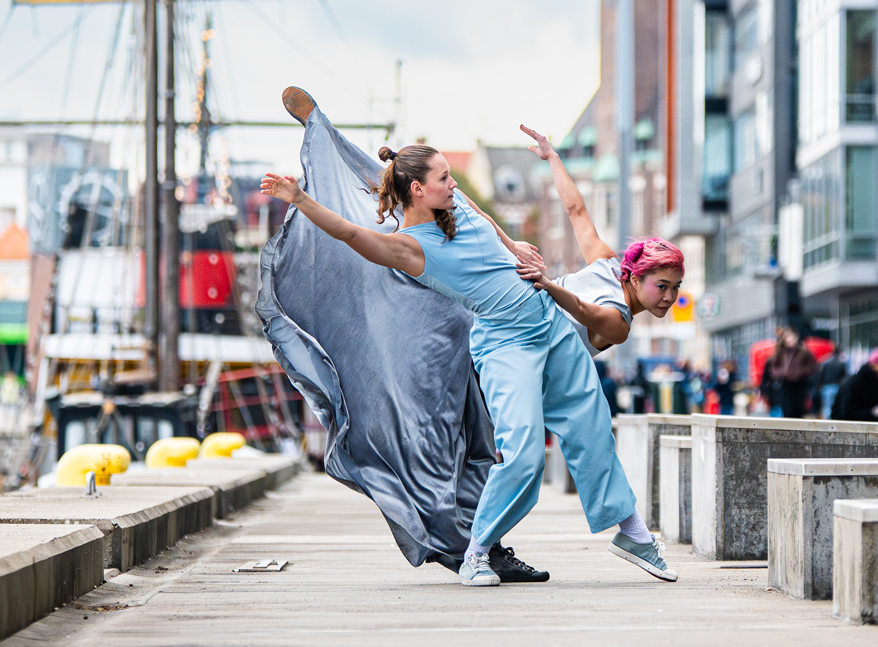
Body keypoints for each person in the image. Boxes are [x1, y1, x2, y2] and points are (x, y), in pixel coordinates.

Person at [261, 138, 676, 588]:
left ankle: (633, 534)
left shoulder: (455, 208)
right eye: (444, 178)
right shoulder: (410, 249)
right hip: (507, 344)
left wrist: (512, 244)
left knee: (592, 433)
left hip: (552, 326)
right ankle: (476, 553)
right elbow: (350, 233)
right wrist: (299, 198)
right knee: (523, 454)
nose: (454, 184)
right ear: (418, 190)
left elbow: (484, 218)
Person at [522, 126, 686, 356]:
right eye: (662, 286)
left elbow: (576, 212)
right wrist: (553, 158)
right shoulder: (620, 324)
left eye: (675, 288)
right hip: (515, 341)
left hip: (516, 318)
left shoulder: (607, 266)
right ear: (635, 279)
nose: (669, 298)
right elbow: (580, 308)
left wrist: (553, 158)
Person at [829, 349, 878, 422]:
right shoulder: (855, 383)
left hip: (867, 422)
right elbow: (848, 413)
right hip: (845, 423)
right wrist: (875, 412)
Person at [767, 327, 819, 418]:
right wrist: (782, 373)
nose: (789, 340)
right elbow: (773, 368)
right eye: (787, 337)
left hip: (801, 385)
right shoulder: (780, 353)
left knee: (799, 410)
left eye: (791, 337)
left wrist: (799, 373)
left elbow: (812, 368)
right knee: (787, 410)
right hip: (786, 385)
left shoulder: (803, 352)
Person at [815, 348, 847, 420]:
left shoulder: (826, 363)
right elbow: (844, 376)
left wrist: (819, 385)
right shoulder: (841, 363)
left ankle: (828, 420)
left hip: (826, 386)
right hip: (837, 386)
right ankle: (833, 419)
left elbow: (821, 375)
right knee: (836, 405)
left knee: (826, 405)